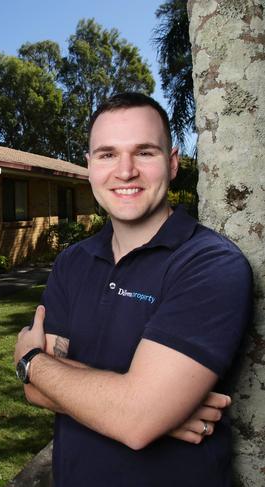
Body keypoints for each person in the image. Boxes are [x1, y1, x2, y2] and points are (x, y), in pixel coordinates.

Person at [14, 92, 252, 486]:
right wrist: (146, 407)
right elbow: (35, 394)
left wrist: (32, 363)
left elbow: (134, 419)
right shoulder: (72, 262)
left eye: (144, 153)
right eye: (107, 155)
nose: (125, 171)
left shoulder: (210, 264)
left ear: (172, 163)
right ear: (89, 167)